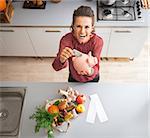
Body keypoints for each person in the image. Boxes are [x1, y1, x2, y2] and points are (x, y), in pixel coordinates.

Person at [52, 6, 103, 82]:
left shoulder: (97, 41)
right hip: (74, 78)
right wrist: (61, 60)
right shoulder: (67, 40)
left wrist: (89, 71)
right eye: (78, 26)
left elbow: (96, 67)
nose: (82, 31)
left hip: (92, 78)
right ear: (73, 26)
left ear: (92, 28)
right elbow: (56, 67)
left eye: (86, 27)